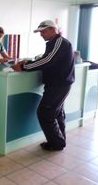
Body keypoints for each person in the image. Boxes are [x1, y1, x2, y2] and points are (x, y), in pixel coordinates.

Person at [11, 20, 75, 151]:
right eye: (40, 32)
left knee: (45, 113)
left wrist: (24, 67)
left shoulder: (60, 42)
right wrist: (29, 61)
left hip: (59, 85)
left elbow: (48, 60)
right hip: (57, 84)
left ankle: (57, 143)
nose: (41, 34)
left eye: (44, 31)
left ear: (53, 30)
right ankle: (59, 140)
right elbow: (46, 58)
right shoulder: (51, 43)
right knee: (57, 113)